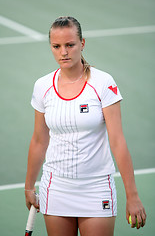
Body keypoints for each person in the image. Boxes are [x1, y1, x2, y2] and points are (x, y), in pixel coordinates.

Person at [25, 16, 146, 236]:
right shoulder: (42, 86)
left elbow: (117, 141)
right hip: (57, 186)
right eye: (57, 46)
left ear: (82, 43)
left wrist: (133, 195)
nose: (64, 52)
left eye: (70, 44)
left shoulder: (103, 83)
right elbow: (39, 140)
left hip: (96, 186)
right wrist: (29, 186)